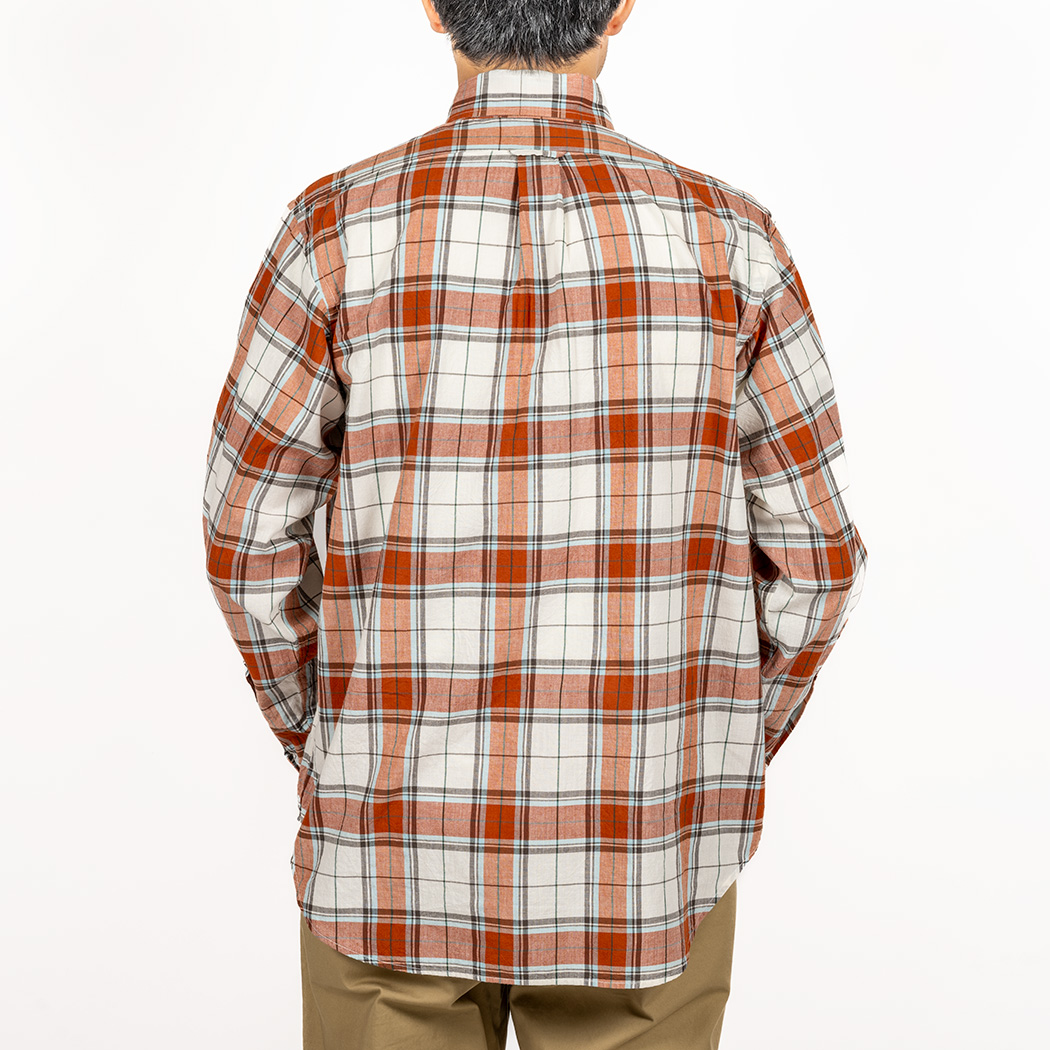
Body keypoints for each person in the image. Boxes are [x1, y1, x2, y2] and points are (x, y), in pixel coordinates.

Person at [201, 1, 868, 1046]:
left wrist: (335, 740)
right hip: (644, 858)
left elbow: (247, 546)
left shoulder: (329, 233)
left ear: (434, 7)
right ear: (621, 6)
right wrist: (701, 753)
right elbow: (817, 566)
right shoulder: (732, 243)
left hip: (390, 856)